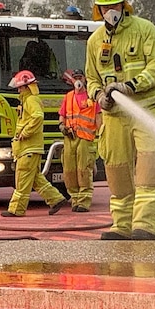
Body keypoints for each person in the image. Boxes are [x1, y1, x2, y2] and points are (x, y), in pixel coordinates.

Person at [85, 0, 155, 240]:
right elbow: (91, 79)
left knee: (149, 170)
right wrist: (99, 97)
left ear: (124, 4)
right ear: (98, 9)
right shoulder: (95, 41)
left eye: (115, 4)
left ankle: (144, 225)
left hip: (146, 109)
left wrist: (131, 86)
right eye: (105, 6)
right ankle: (120, 225)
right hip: (114, 117)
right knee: (117, 170)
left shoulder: (144, 29)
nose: (111, 10)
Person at [1, 70, 68, 217]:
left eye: (20, 87)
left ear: (26, 87)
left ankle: (16, 209)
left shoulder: (30, 100)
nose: (18, 90)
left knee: (22, 180)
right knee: (36, 178)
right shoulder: (27, 100)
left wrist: (25, 133)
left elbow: (37, 117)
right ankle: (56, 199)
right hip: (28, 148)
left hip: (28, 148)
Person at [58, 69, 100, 212]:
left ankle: (84, 201)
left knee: (84, 169)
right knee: (69, 171)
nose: (77, 80)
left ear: (84, 79)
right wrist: (62, 126)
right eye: (75, 78)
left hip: (85, 138)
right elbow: (62, 115)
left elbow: (98, 117)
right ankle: (75, 200)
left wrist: (101, 134)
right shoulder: (68, 97)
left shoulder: (91, 97)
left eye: (80, 77)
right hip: (70, 137)